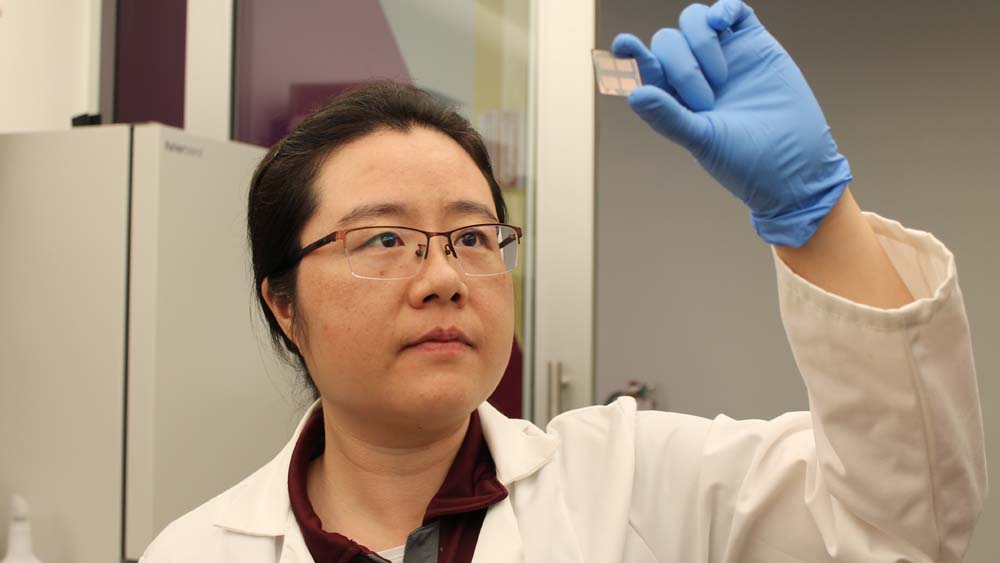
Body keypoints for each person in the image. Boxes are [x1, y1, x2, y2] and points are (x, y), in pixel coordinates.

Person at [139, 0, 986, 561]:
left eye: (473, 235)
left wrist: (818, 214)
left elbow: (904, 525)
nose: (443, 277)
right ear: (283, 304)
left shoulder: (633, 482)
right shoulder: (195, 550)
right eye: (386, 238)